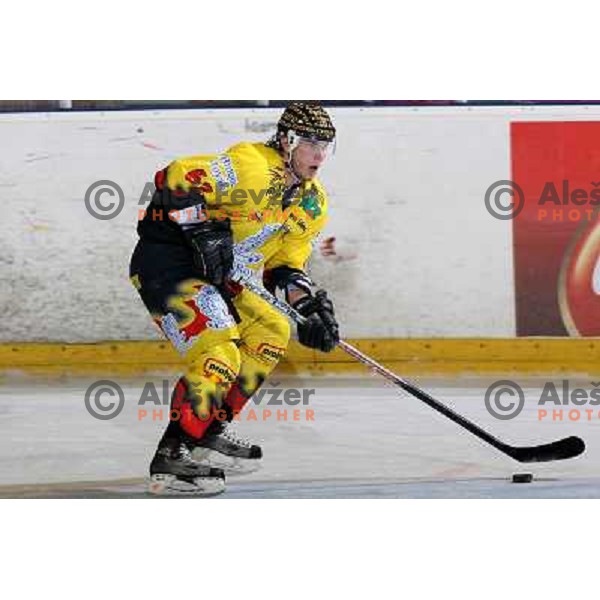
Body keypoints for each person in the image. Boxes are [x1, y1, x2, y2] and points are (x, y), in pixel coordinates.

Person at [130, 102, 340, 495]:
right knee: (220, 354)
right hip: (170, 265)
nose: (319, 154)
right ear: (287, 140)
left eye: (326, 144)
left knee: (273, 331)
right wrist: (201, 228)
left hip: (225, 279)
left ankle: (206, 429)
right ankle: (172, 455)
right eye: (310, 142)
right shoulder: (250, 166)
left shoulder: (313, 203)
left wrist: (307, 307)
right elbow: (173, 177)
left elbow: (284, 268)